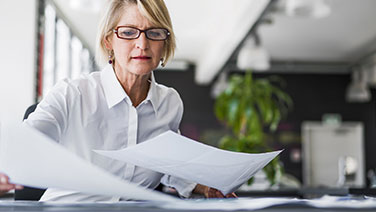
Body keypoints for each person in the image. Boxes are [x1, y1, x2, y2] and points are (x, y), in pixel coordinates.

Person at [0, 0, 236, 201]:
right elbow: (21, 145)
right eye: (128, 32)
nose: (142, 44)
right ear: (108, 42)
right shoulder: (73, 94)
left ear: (165, 42)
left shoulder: (169, 103)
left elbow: (166, 162)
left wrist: (202, 185)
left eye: (154, 33)